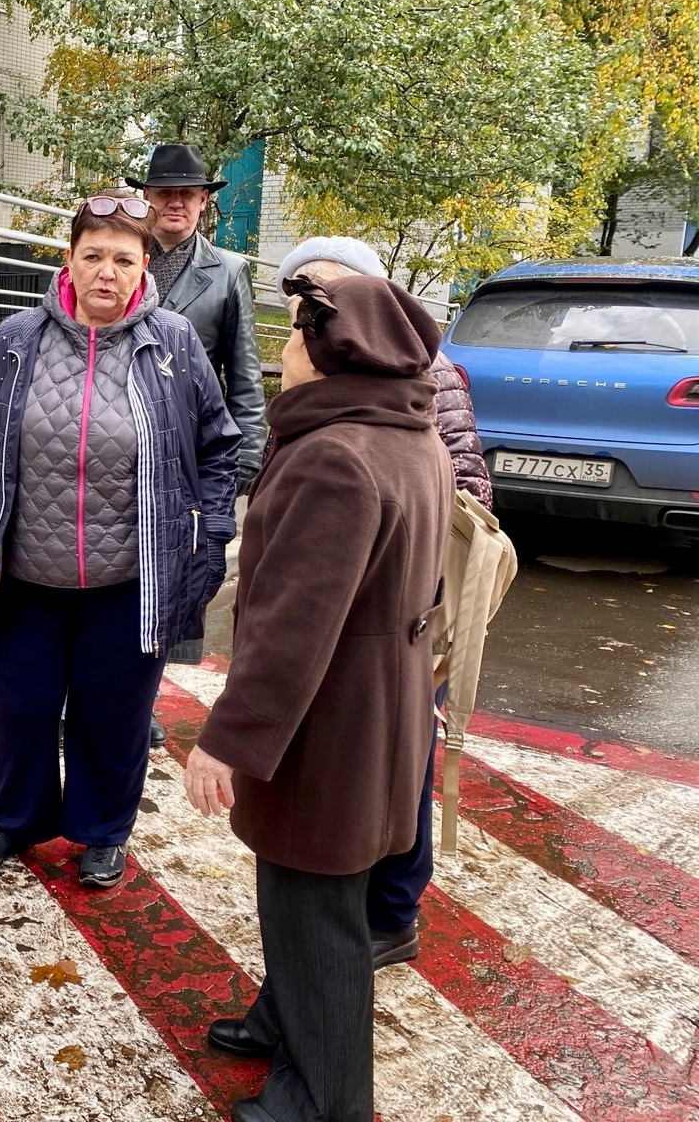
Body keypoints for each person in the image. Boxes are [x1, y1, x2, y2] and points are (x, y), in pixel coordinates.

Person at [182, 272, 452, 1122]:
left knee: (316, 910)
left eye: (296, 332)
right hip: (380, 712)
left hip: (327, 726)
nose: (284, 347)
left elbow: (296, 625)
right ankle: (282, 1019)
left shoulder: (336, 457)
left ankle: (322, 1099)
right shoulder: (409, 435)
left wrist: (228, 738)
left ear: (335, 353)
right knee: (314, 901)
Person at [0, 189, 242, 890]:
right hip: (28, 577)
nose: (106, 272)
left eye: (122, 258)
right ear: (69, 260)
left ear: (145, 265)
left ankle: (103, 830)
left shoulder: (171, 343)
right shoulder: (19, 340)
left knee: (112, 714)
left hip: (131, 578)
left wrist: (210, 532)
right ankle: (17, 819)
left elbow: (218, 446)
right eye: (93, 256)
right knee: (21, 706)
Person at [272, 237, 493, 972]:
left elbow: (462, 482)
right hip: (377, 606)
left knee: (398, 759)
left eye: (322, 294)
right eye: (299, 299)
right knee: (369, 770)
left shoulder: (422, 375)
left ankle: (391, 913)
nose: (308, 314)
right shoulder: (329, 389)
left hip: (404, 608)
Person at [126, 143, 266, 744]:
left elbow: (246, 375)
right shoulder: (122, 257)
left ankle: (142, 700)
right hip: (116, 444)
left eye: (188, 193)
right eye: (164, 192)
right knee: (108, 574)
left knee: (171, 581)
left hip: (187, 454)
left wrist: (246, 465)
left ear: (205, 202)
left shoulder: (228, 271)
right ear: (149, 200)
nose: (175, 202)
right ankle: (88, 693)